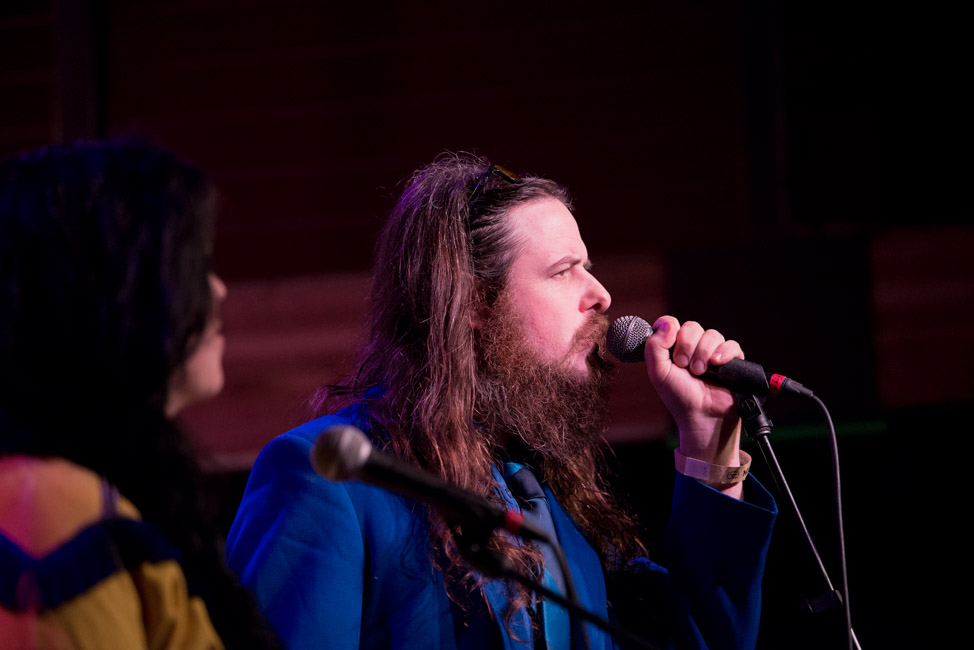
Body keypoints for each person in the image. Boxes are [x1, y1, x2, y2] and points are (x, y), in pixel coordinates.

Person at [226, 153, 777, 649]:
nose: (601, 293)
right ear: (472, 303)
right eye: (563, 271)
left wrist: (708, 443)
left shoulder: (562, 509)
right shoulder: (331, 482)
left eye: (587, 265)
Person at [0, 140, 280, 649]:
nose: (217, 289)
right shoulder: (48, 509)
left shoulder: (147, 487)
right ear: (107, 291)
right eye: (193, 263)